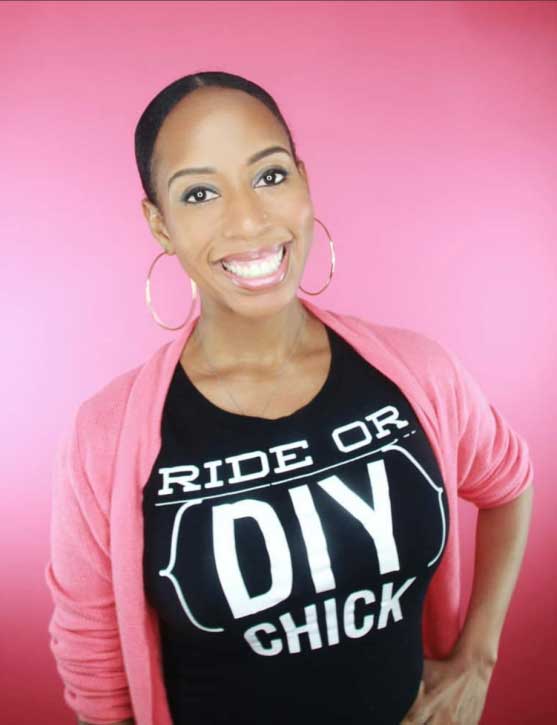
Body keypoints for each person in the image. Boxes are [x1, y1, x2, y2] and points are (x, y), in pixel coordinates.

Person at [45, 71, 534, 725]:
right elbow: (98, 678)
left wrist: (478, 654)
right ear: (159, 224)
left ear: (303, 180)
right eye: (198, 193)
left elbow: (509, 482)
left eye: (269, 175)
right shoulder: (106, 438)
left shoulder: (419, 373)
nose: (248, 218)